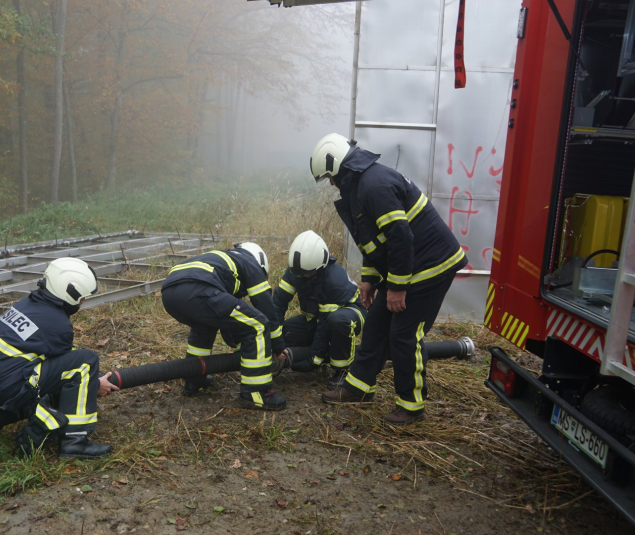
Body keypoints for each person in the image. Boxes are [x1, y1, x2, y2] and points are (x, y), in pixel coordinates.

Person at [310, 133, 467, 425]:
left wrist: (396, 287)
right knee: (377, 325)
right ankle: (358, 388)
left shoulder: (374, 186)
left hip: (431, 265)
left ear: (341, 166)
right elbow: (373, 243)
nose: (331, 183)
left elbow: (400, 237)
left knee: (404, 335)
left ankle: (410, 405)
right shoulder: (361, 187)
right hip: (409, 265)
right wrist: (370, 280)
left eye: (330, 176)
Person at [0, 257, 119, 458]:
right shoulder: (58, 324)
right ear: (70, 293)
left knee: (35, 364)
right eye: (82, 298)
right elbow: (69, 371)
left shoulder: (27, 304)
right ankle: (74, 442)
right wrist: (93, 382)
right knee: (86, 361)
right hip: (5, 389)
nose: (82, 303)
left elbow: (51, 363)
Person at [161, 243, 287, 411]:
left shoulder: (222, 260)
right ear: (260, 263)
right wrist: (278, 345)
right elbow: (265, 305)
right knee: (259, 324)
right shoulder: (249, 263)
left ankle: (194, 380)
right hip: (198, 289)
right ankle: (256, 393)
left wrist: (242, 346)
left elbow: (229, 319)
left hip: (169, 293)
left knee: (204, 327)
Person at [272, 230, 366, 389]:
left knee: (337, 322)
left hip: (349, 315)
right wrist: (276, 341)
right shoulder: (297, 270)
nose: (303, 277)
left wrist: (313, 360)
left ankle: (343, 371)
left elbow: (324, 326)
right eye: (299, 273)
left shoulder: (333, 281)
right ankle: (326, 352)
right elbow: (278, 303)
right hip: (316, 319)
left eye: (307, 273)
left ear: (320, 265)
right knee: (285, 332)